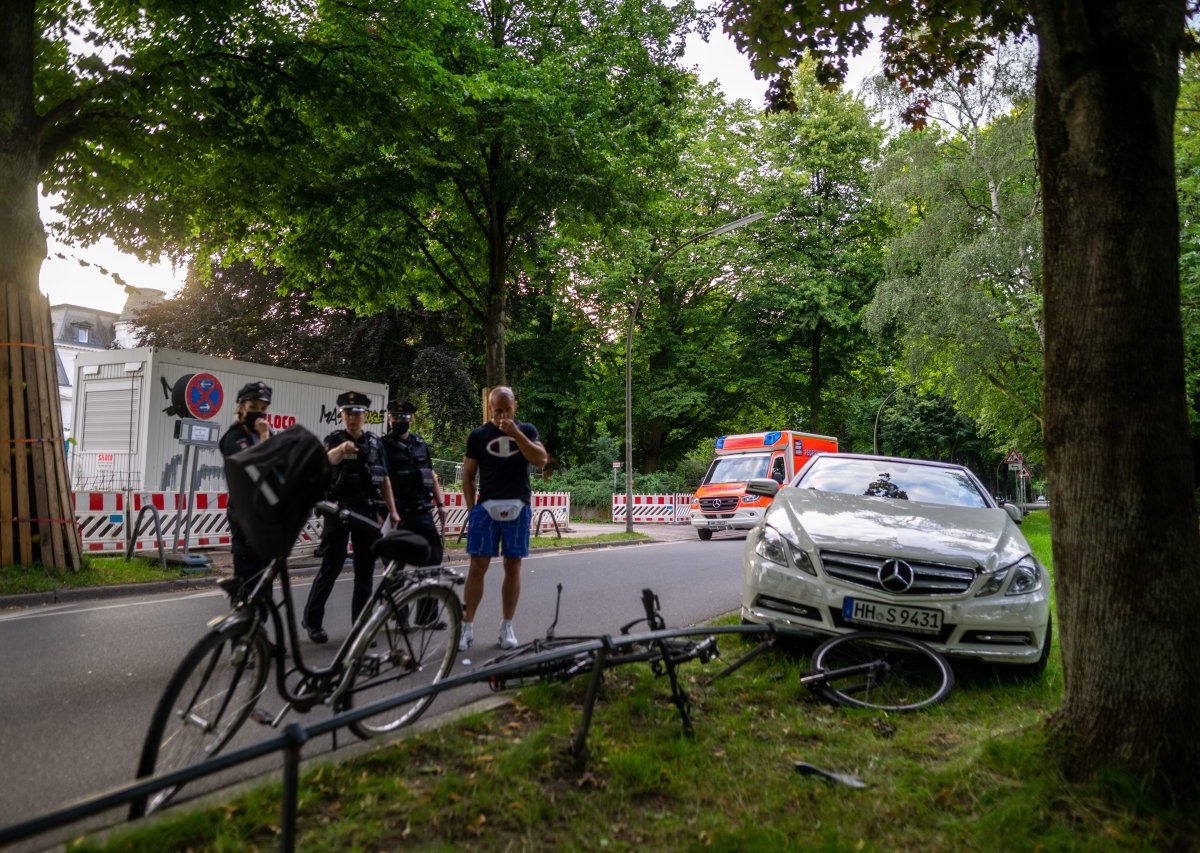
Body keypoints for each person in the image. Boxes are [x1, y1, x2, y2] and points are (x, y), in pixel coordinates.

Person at [302, 391, 400, 644]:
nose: (352, 418)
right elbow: (323, 463)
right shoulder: (334, 439)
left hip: (366, 512)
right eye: (348, 413)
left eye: (357, 413)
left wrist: (393, 510)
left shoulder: (375, 444)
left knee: (365, 572)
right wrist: (341, 450)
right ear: (342, 415)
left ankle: (360, 627)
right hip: (338, 510)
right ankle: (312, 621)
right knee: (331, 567)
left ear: (364, 416)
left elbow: (385, 478)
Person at [459, 386, 548, 651]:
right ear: (490, 408)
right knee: (477, 567)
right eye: (497, 410)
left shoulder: (528, 430)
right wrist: (472, 507)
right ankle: (467, 627)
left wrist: (516, 433)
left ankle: (506, 626)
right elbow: (467, 473)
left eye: (507, 409)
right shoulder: (478, 435)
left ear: (515, 407)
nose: (502, 415)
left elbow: (541, 460)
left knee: (513, 566)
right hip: (485, 508)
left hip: (518, 506)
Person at [218, 381, 273, 592]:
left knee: (264, 587)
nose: (259, 414)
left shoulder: (265, 433)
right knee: (248, 583)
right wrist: (265, 437)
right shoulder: (234, 437)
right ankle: (242, 621)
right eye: (253, 408)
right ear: (241, 407)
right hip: (245, 517)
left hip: (266, 518)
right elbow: (255, 467)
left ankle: (258, 622)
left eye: (263, 409)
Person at [381, 398, 447, 566]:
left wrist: (441, 505)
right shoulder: (382, 446)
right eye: (395, 418)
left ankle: (426, 591)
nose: (399, 422)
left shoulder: (420, 444)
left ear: (410, 420)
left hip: (421, 512)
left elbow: (431, 474)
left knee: (433, 559)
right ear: (389, 420)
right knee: (395, 565)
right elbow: (382, 480)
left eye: (403, 418)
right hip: (397, 514)